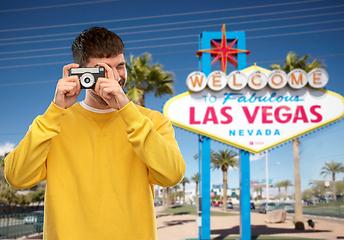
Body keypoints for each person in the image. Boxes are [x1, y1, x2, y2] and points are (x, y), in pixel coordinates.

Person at [4, 27, 186, 240]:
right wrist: (56, 110)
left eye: (120, 67)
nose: (115, 77)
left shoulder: (152, 121)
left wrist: (127, 109)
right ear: (80, 74)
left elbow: (173, 174)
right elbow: (16, 177)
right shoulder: (54, 122)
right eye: (102, 70)